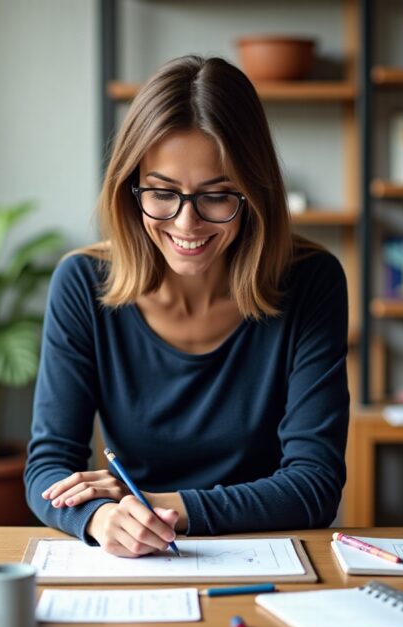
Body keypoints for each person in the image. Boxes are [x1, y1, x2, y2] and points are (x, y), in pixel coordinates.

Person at [24, 55, 350, 558]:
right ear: (131, 191)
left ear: (255, 192)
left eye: (217, 197)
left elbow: (314, 486)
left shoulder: (311, 281)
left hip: (267, 557)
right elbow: (49, 470)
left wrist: (150, 507)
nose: (186, 224)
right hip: (134, 565)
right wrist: (101, 518)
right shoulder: (82, 284)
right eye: (162, 193)